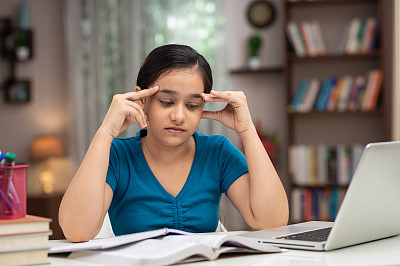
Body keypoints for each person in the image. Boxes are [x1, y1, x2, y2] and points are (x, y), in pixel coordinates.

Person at [59, 44, 288, 242]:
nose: (179, 116)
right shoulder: (118, 156)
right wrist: (105, 133)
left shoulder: (217, 152)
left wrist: (247, 131)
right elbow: (77, 231)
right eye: (167, 102)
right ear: (142, 99)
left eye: (192, 105)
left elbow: (272, 221)